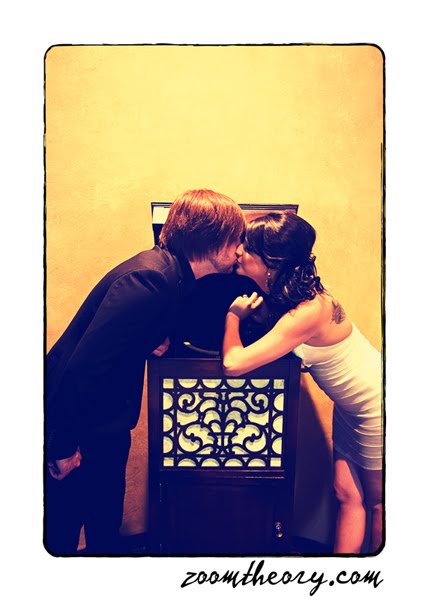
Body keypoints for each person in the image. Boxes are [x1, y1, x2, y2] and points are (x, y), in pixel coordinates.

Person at [45, 189, 245, 555]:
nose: (239, 249)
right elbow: (83, 369)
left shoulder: (171, 275)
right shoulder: (151, 279)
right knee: (62, 533)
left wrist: (150, 340)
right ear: (211, 237)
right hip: (80, 427)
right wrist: (63, 446)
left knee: (104, 525)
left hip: (101, 424)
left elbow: (115, 341)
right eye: (236, 238)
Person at [222, 211, 383, 554]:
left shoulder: (307, 311)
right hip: (351, 407)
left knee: (378, 502)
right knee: (346, 494)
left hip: (375, 405)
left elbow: (233, 364)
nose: (237, 251)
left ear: (271, 262)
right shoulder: (295, 295)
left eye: (246, 246)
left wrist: (233, 317)